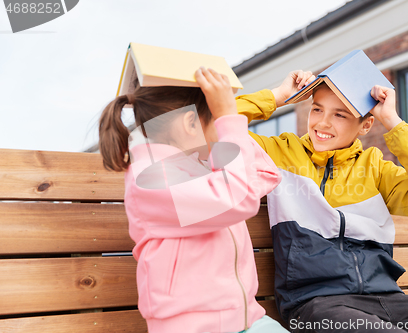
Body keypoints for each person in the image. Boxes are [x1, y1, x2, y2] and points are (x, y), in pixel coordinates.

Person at [235, 71, 408, 332]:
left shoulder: (374, 167)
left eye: (339, 114)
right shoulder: (280, 154)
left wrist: (393, 121)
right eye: (317, 110)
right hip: (312, 305)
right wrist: (277, 96)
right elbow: (209, 130)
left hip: (388, 300)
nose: (322, 123)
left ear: (366, 125)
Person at [98, 67, 290, 333]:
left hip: (246, 319)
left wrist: (232, 112)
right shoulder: (150, 178)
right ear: (190, 124)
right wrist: (228, 119)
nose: (225, 129)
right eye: (218, 122)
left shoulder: (202, 168)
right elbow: (240, 197)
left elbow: (265, 174)